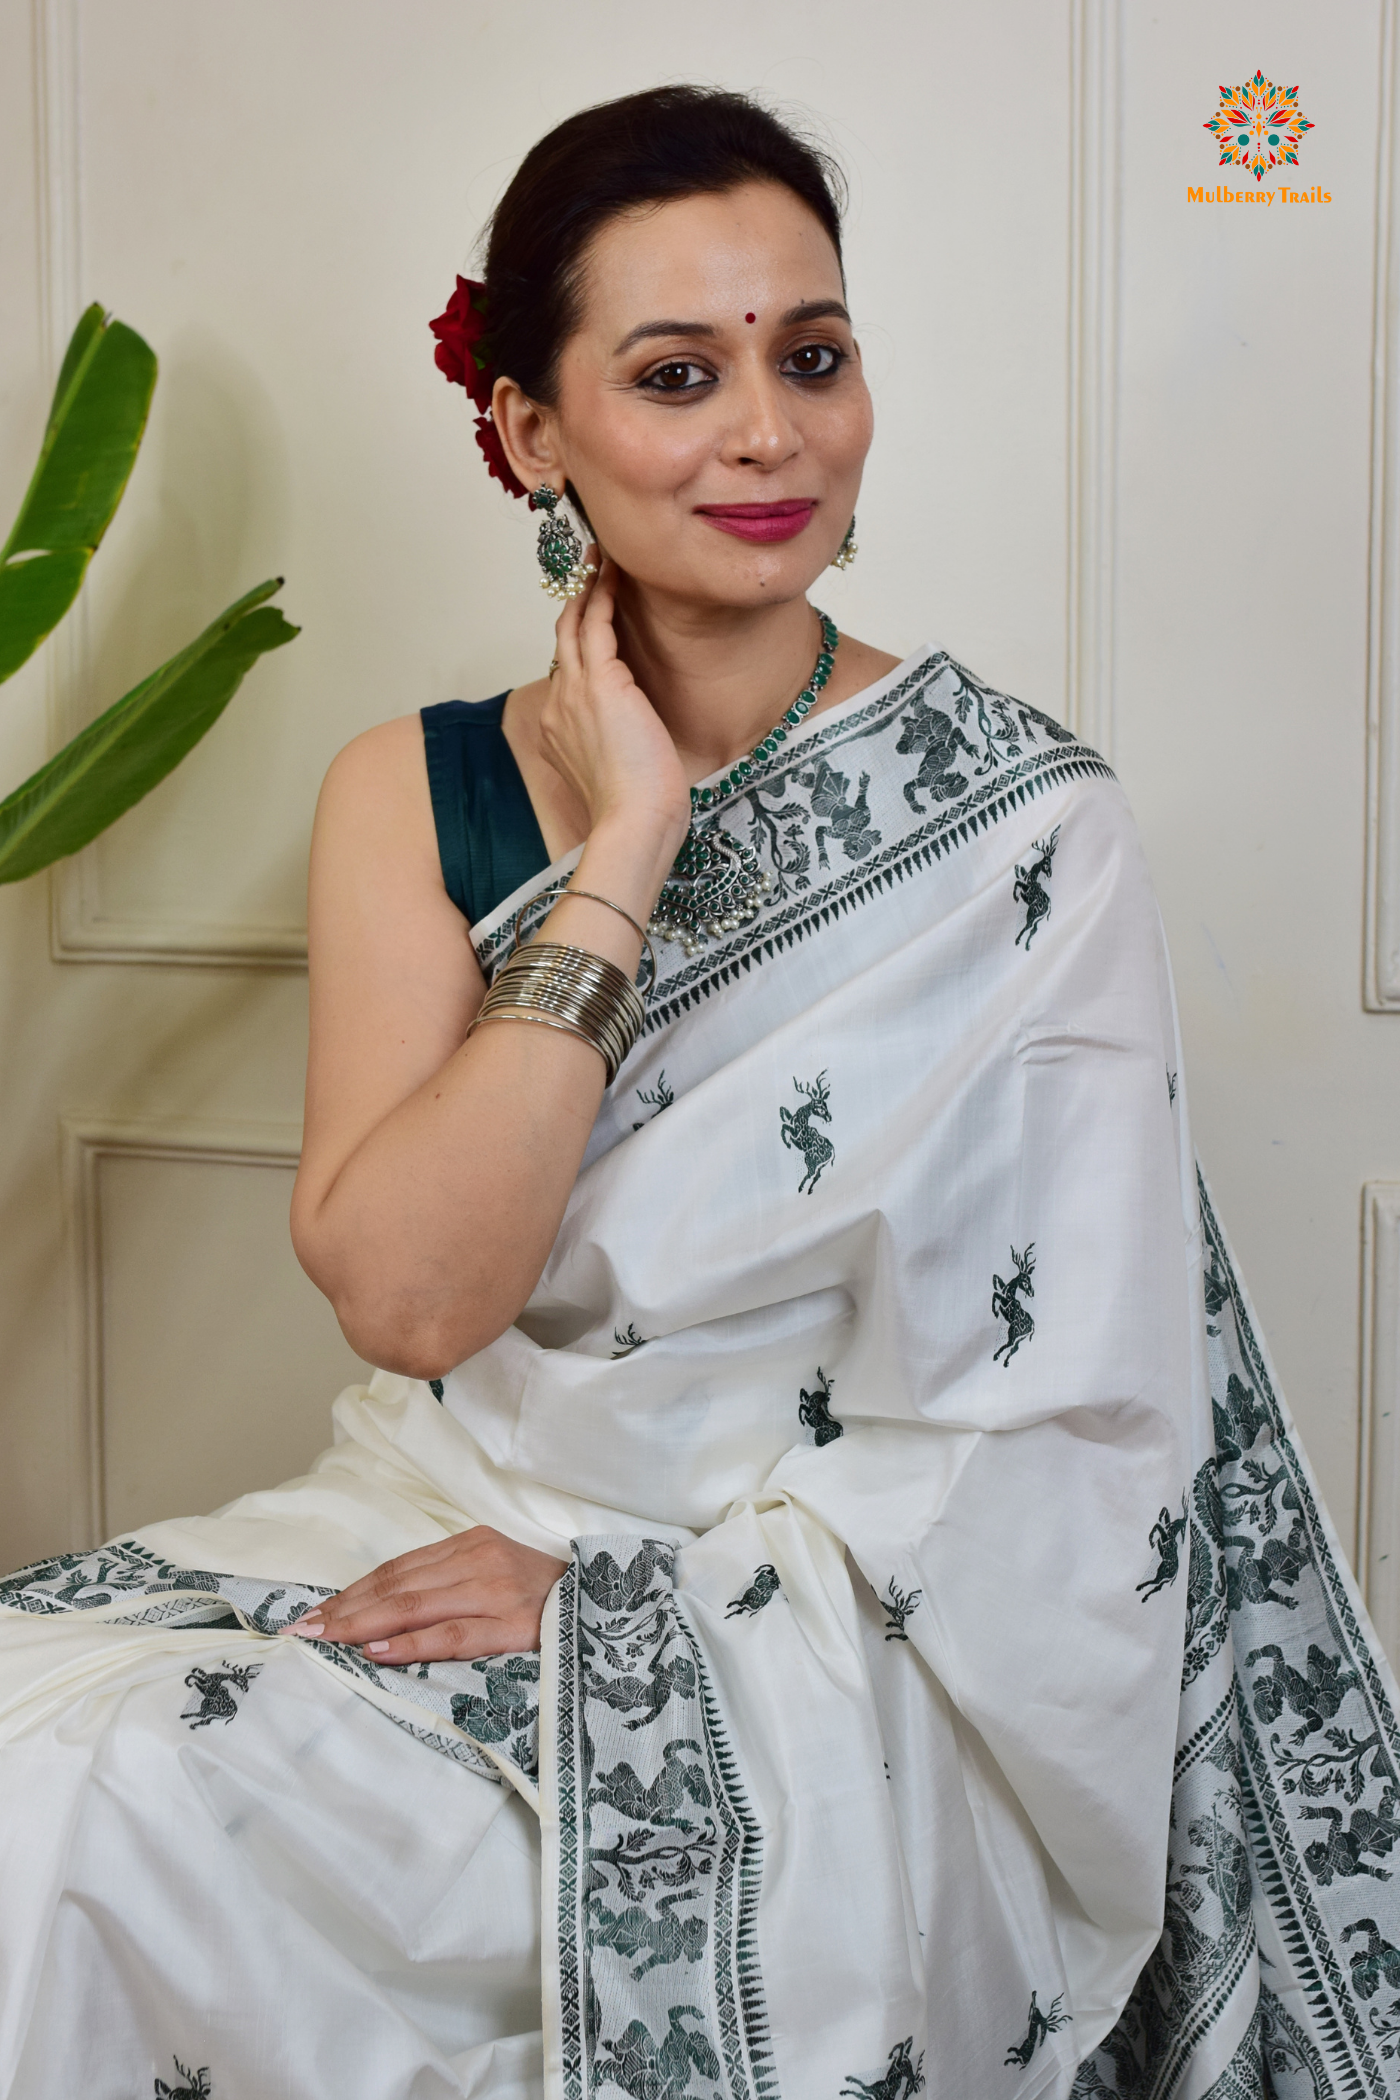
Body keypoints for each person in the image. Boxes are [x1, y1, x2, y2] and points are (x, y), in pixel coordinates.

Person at [0, 82, 1396, 2100]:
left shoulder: (1026, 834)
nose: (769, 432)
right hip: (433, 1507)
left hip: (836, 1635)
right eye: (677, 373)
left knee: (138, 1819)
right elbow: (412, 1303)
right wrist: (626, 849)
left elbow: (1070, 1438)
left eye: (810, 355)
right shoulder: (416, 792)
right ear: (528, 434)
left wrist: (639, 1599)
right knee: (45, 1780)